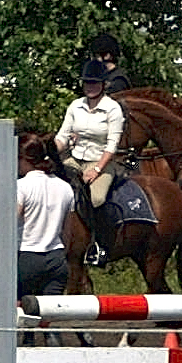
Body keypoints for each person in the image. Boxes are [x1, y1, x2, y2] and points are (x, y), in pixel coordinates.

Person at [0, 135, 76, 300]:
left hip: (26, 257)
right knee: (48, 311)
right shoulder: (65, 188)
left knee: (12, 309)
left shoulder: (21, 187)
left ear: (23, 159)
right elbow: (67, 233)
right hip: (56, 259)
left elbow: (8, 225)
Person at [55, 67, 127, 268]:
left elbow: (112, 145)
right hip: (74, 158)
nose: (90, 87)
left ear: (104, 85)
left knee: (97, 198)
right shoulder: (75, 105)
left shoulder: (113, 109)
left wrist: (96, 170)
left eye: (94, 83)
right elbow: (62, 136)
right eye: (87, 82)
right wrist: (51, 150)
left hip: (101, 161)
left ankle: (99, 245)